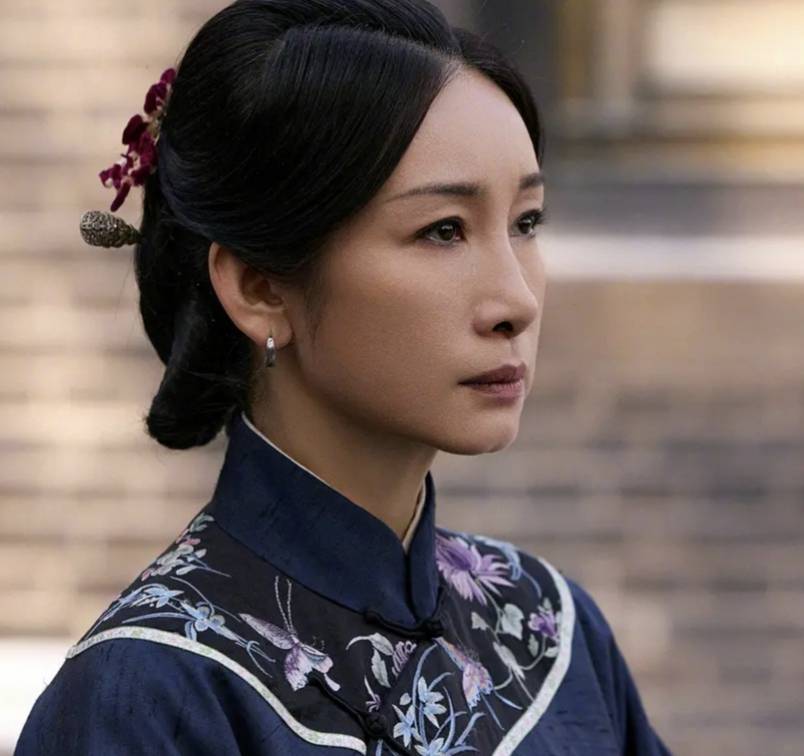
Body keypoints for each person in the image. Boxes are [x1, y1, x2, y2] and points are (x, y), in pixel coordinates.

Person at [15, 1, 673, 753]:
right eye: (443, 230)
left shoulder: (550, 632)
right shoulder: (154, 696)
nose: (517, 301)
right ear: (261, 288)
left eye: (526, 222)